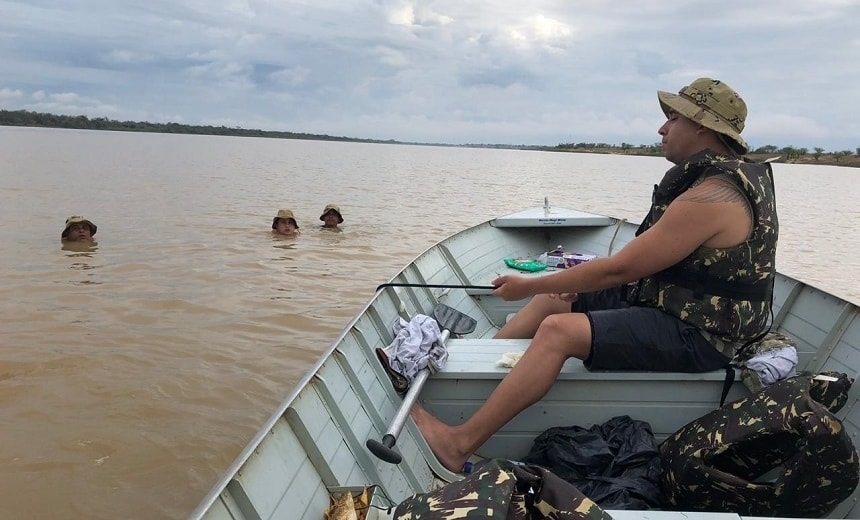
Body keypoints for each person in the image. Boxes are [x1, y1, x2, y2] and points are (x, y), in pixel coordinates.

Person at [411, 77, 779, 473]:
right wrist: (553, 287)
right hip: (677, 306)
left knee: (558, 330)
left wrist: (527, 285)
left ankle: (458, 442)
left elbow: (621, 268)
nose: (662, 129)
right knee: (558, 298)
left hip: (706, 335)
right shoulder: (722, 180)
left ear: (702, 126)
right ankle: (477, 375)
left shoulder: (714, 196)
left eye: (672, 118)